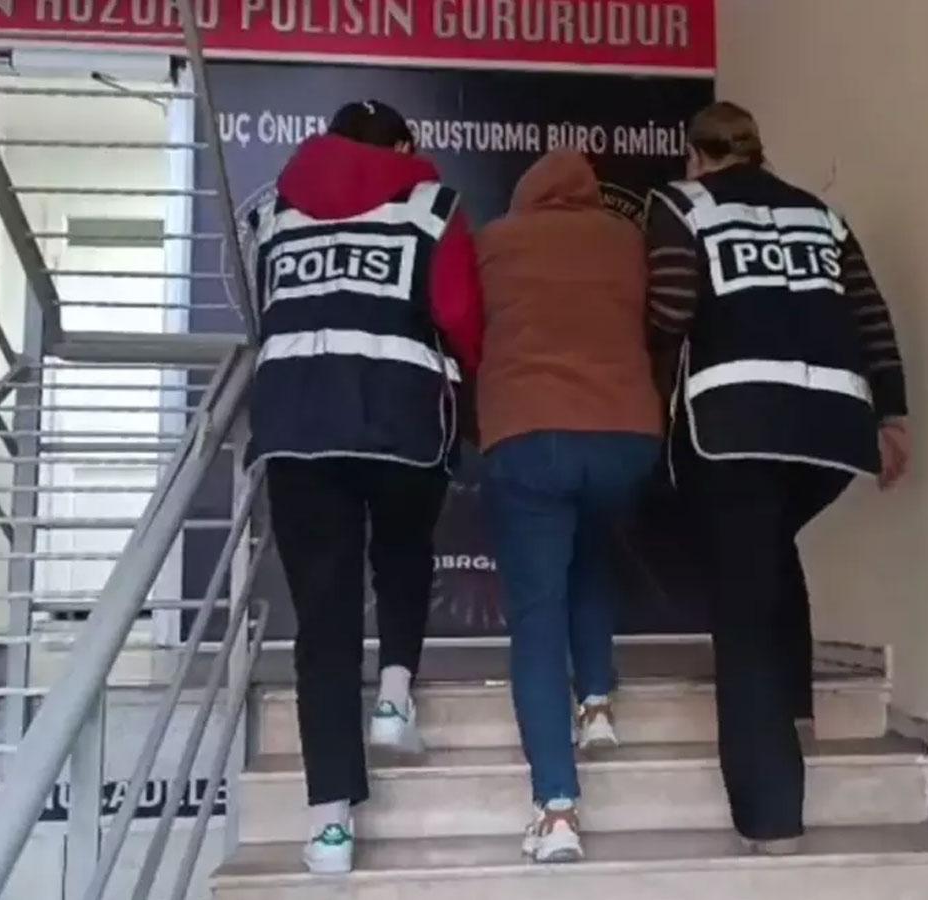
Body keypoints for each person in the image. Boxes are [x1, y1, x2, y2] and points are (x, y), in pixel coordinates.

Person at [644, 102, 911, 853]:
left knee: (741, 604)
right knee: (765, 552)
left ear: (696, 156)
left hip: (735, 427)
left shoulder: (681, 204)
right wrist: (893, 414)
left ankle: (772, 817)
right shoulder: (821, 215)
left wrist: (644, 379)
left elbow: (669, 308)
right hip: (832, 432)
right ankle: (796, 706)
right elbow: (871, 316)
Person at [246, 99, 483, 874]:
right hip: (401, 414)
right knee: (405, 552)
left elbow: (264, 314)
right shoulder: (432, 205)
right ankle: (392, 698)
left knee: (323, 619)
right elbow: (458, 313)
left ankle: (331, 825)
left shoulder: (274, 211)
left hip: (296, 422)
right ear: (405, 144)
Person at [476, 148, 663, 863]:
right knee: (592, 560)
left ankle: (557, 810)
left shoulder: (497, 241)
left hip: (530, 431)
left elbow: (464, 323)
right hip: (624, 434)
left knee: (536, 615)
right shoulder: (626, 240)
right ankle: (598, 703)